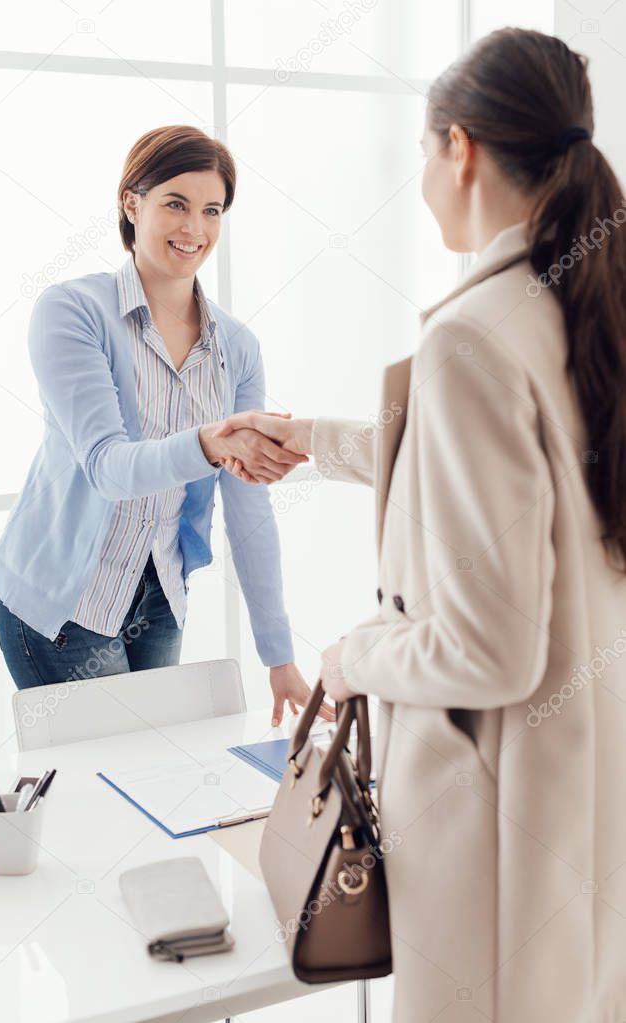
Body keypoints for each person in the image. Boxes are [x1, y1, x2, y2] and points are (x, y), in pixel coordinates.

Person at [217, 28, 626, 1023]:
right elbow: (503, 479)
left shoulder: (470, 337)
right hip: (573, 783)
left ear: (460, 150)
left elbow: (486, 653)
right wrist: (312, 438)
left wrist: (352, 656)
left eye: (419, 149)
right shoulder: (578, 300)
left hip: (486, 818)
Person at [0, 124, 334, 726]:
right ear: (133, 203)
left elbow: (248, 505)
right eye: (175, 204)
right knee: (103, 789)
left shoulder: (236, 347)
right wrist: (209, 442)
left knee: (153, 779)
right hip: (64, 602)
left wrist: (278, 656)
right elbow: (108, 466)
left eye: (212, 210)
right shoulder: (73, 312)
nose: (194, 229)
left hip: (158, 597)